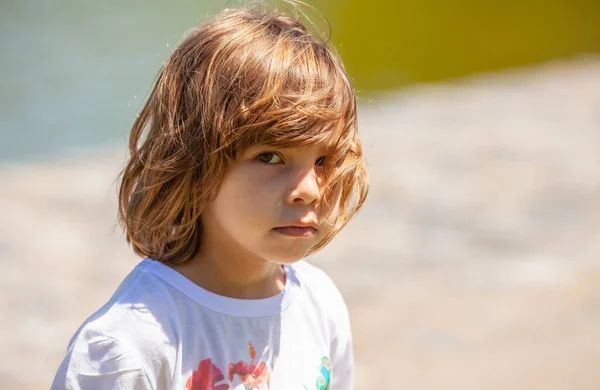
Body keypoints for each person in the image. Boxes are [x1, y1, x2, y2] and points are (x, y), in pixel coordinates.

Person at [51, 3, 368, 389]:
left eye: (324, 160)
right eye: (270, 157)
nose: (309, 190)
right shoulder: (127, 349)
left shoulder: (321, 304)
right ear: (193, 162)